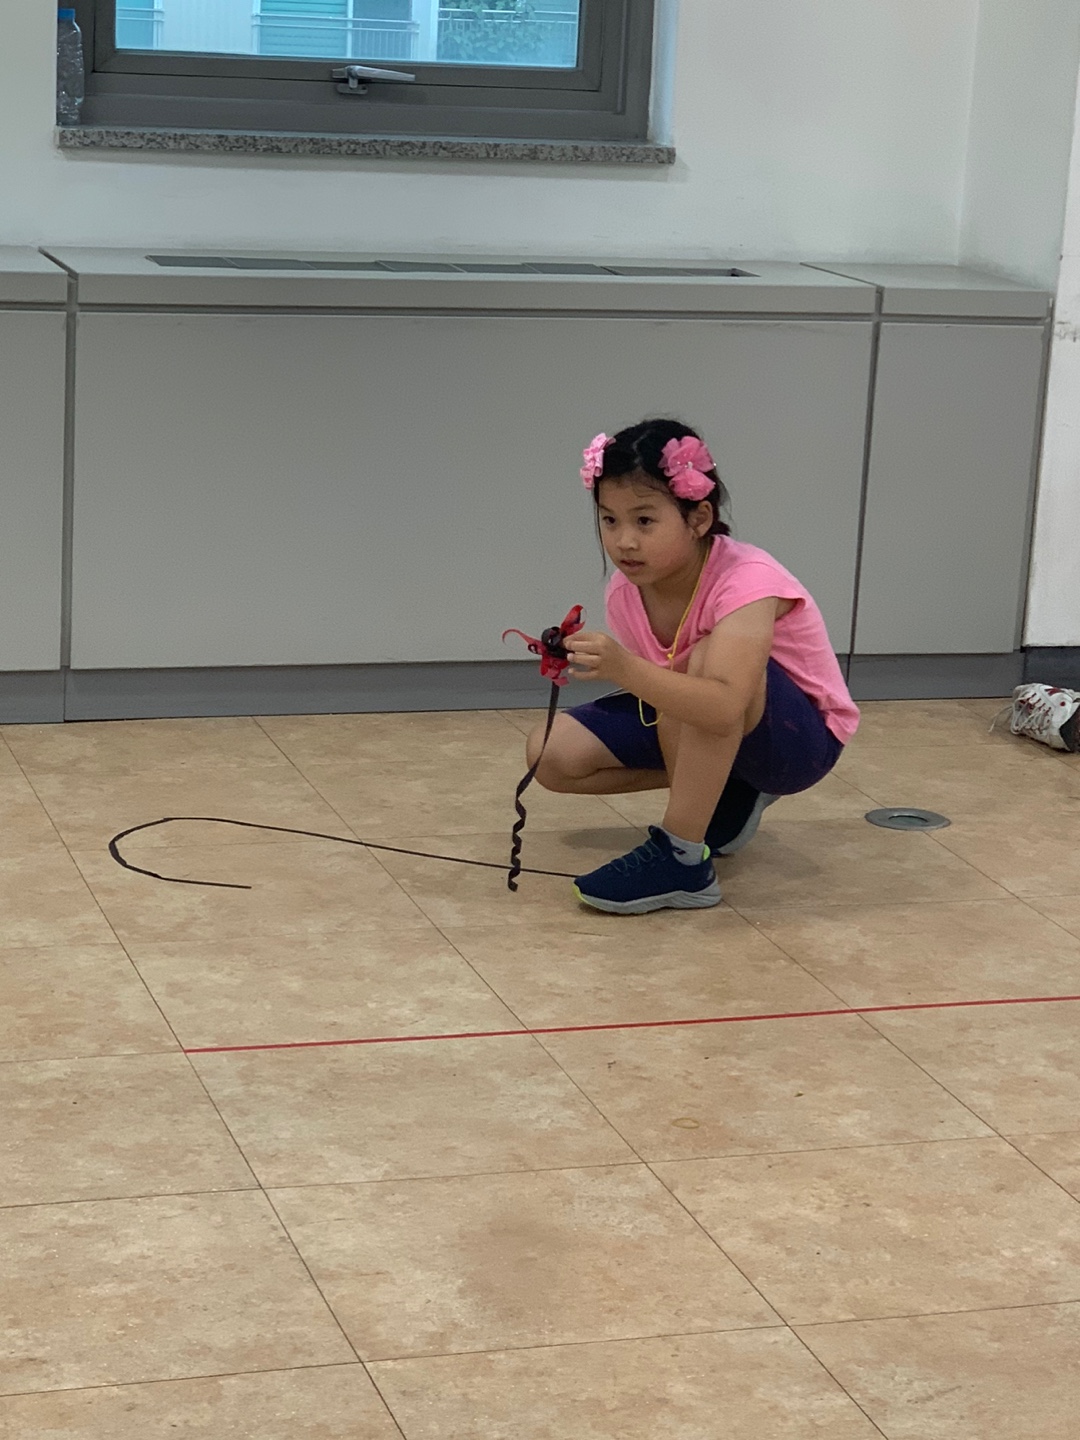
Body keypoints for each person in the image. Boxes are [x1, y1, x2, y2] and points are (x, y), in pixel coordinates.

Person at [525, 417, 860, 915]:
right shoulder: (625, 592)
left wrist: (623, 667)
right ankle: (723, 790)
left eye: (644, 521)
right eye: (609, 520)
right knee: (549, 754)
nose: (624, 541)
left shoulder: (748, 581)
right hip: (711, 719)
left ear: (699, 518)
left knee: (700, 670)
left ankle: (682, 859)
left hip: (796, 744)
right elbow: (667, 701)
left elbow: (722, 705)